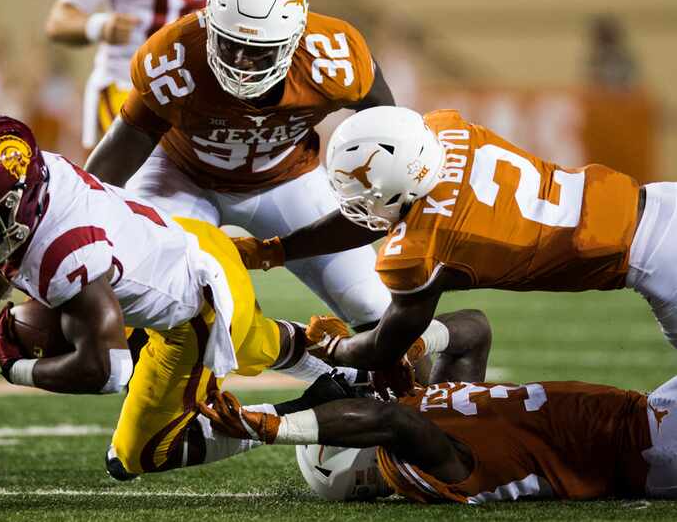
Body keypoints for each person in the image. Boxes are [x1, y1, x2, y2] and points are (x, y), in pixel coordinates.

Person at [0, 115, 474, 477]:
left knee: (140, 455)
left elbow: (108, 368)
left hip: (195, 300)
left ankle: (304, 412)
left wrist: (19, 369)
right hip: (194, 247)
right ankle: (347, 367)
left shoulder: (68, 248)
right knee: (257, 340)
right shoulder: (43, 181)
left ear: (23, 198)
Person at [234, 105, 676, 377]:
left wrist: (327, 346)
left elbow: (384, 348)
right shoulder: (445, 132)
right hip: (659, 199)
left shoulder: (421, 249)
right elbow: (384, 209)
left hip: (657, 264)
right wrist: (278, 250)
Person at [85, 0, 396, 333]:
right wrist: (75, 227)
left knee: (373, 303)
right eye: (230, 43)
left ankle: (411, 393)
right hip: (181, 175)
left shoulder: (334, 58)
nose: (241, 61)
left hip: (287, 176)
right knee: (166, 299)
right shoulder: (177, 55)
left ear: (294, 39)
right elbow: (120, 152)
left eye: (257, 50)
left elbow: (388, 126)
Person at [200, 313, 677, 503]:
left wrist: (408, 349)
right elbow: (389, 421)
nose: (356, 395)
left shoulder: (421, 413)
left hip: (648, 412)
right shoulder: (426, 469)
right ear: (352, 457)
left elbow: (474, 330)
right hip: (650, 448)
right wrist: (271, 428)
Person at [45, 0, 265, 149]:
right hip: (129, 85)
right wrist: (100, 26)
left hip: (209, 91)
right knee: (144, 175)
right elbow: (59, 22)